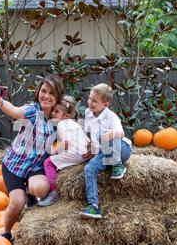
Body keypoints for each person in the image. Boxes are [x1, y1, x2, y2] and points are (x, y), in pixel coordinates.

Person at [0, 74, 65, 242]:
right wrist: (0, 102)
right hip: (14, 166)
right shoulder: (33, 110)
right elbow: (15, 111)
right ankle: (7, 232)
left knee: (41, 189)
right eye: (44, 91)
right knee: (17, 203)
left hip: (35, 167)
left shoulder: (58, 119)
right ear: (38, 92)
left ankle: (30, 194)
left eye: (51, 93)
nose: (46, 96)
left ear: (57, 97)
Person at [80, 83, 132, 219]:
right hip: (105, 153)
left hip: (122, 150)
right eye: (90, 98)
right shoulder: (88, 113)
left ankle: (118, 166)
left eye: (94, 101)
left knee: (101, 135)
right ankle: (93, 206)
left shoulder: (111, 116)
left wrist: (112, 133)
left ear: (106, 104)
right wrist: (90, 148)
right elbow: (90, 135)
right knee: (89, 168)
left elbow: (121, 134)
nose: (90, 102)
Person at [38, 96, 90, 206]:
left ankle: (54, 191)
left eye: (57, 112)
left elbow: (66, 142)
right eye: (53, 111)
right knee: (61, 159)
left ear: (66, 115)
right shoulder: (76, 124)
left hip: (75, 154)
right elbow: (87, 139)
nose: (53, 114)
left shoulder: (62, 124)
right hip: (85, 154)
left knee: (48, 162)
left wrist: (55, 151)